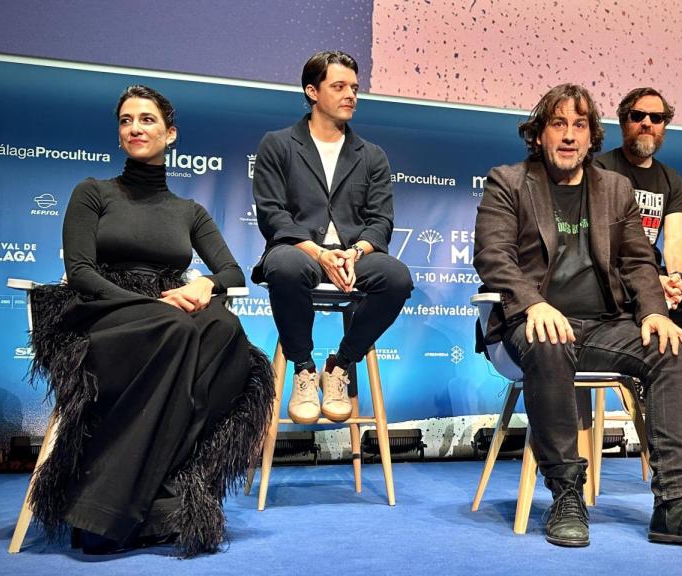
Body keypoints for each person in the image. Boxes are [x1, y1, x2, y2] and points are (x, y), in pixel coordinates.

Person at [473, 83, 682, 548]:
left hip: (604, 326)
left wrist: (653, 312)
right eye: (558, 124)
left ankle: (677, 504)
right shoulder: (508, 181)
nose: (568, 136)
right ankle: (566, 493)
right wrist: (536, 304)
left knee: (669, 349)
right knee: (549, 341)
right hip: (532, 325)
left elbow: (638, 260)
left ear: (591, 138)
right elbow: (493, 257)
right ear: (540, 134)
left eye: (579, 126)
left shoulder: (615, 188)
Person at [27, 85, 275, 555]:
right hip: (103, 313)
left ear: (170, 133)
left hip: (167, 311)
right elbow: (80, 272)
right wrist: (152, 307)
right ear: (119, 134)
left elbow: (231, 271)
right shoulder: (93, 192)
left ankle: (158, 495)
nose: (135, 128)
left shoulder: (189, 211)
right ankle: (103, 513)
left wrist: (206, 285)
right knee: (176, 328)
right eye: (126, 120)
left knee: (224, 329)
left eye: (146, 120)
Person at [252, 50, 412, 425]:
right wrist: (320, 254)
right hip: (300, 251)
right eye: (339, 86)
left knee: (396, 277)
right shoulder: (278, 144)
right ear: (312, 91)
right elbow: (272, 213)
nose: (351, 95)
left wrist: (354, 252)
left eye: (354, 88)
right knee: (285, 266)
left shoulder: (371, 155)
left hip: (354, 256)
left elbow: (381, 221)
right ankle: (304, 369)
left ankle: (340, 365)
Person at [593, 87, 682, 335]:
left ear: (663, 127)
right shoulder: (600, 169)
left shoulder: (671, 178)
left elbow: (674, 238)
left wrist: (675, 278)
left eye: (656, 118)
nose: (647, 123)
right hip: (610, 269)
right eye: (638, 116)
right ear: (623, 122)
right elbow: (600, 242)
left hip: (650, 269)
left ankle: (650, 350)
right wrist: (649, 281)